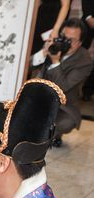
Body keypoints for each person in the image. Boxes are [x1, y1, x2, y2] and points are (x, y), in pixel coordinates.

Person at [34, 18, 93, 146]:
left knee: (66, 122)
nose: (65, 43)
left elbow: (63, 86)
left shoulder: (85, 61)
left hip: (61, 106)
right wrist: (43, 53)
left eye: (71, 41)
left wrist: (55, 62)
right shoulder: (53, 45)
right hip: (38, 98)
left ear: (80, 42)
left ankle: (52, 134)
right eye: (64, 38)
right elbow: (25, 65)